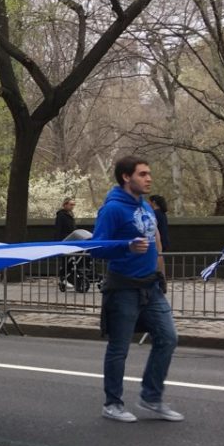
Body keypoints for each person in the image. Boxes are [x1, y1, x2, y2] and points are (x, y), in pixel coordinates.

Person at [91, 156, 183, 423]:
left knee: (168, 337)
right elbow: (95, 248)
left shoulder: (145, 205)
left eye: (149, 173)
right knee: (119, 348)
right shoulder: (112, 210)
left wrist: (161, 273)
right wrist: (126, 246)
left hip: (151, 286)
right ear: (126, 177)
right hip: (123, 288)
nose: (149, 178)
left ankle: (151, 397)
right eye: (143, 174)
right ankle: (112, 403)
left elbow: (154, 242)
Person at [55, 197, 77, 290]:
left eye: (73, 205)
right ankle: (63, 279)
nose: (72, 206)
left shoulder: (70, 214)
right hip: (64, 240)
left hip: (71, 240)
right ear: (65, 205)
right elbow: (58, 229)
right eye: (71, 204)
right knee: (65, 261)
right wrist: (58, 243)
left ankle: (69, 278)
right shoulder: (61, 215)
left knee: (71, 261)